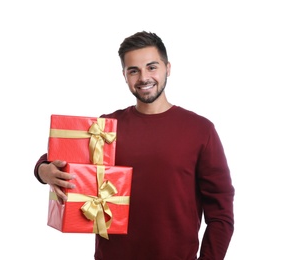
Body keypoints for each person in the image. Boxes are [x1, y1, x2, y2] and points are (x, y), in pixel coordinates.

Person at [34, 31, 234, 260]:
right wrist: (43, 170)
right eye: (133, 70)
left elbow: (221, 212)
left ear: (168, 68)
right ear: (124, 75)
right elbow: (56, 157)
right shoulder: (107, 127)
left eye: (151, 67)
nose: (143, 77)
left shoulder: (201, 130)